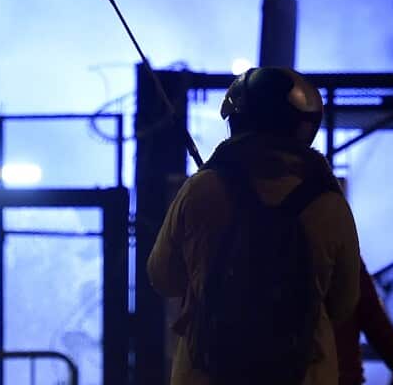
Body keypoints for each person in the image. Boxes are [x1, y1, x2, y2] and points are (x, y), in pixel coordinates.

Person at [147, 67, 363, 385]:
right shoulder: (329, 204)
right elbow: (344, 303)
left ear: (238, 120)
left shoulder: (202, 189)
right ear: (305, 128)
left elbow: (163, 277)